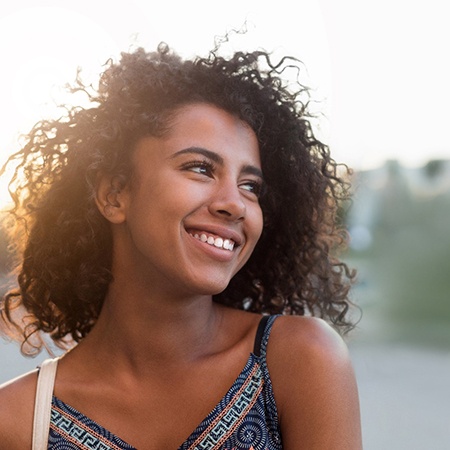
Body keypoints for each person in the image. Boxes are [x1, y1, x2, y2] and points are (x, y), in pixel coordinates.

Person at [0, 40, 362, 449]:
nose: (234, 204)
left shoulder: (300, 361)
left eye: (250, 186)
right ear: (115, 195)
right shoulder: (16, 421)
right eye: (200, 168)